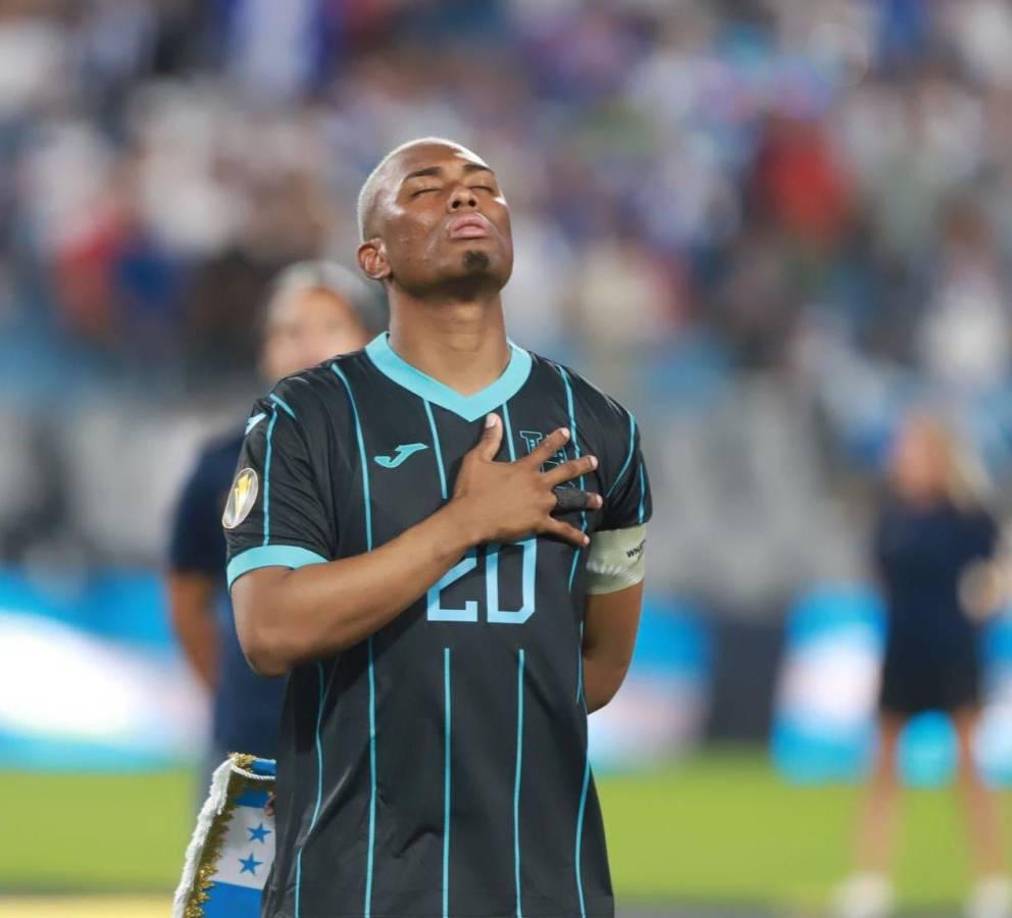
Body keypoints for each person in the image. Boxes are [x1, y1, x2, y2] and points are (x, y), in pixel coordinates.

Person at [223, 138, 652, 918]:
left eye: (483, 186)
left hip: (542, 886)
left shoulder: (600, 427)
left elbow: (597, 666)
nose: (464, 197)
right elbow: (270, 629)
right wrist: (463, 525)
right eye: (426, 189)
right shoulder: (306, 417)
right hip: (351, 883)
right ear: (374, 257)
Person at [167, 261, 381, 790]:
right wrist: (232, 692)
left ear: (370, 343)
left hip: (374, 745)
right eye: (289, 330)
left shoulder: (406, 460)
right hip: (252, 744)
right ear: (265, 348)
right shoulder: (223, 463)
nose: (309, 345)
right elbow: (188, 596)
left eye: (330, 326)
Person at [834, 414, 1009, 918]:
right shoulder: (891, 517)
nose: (903, 461)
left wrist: (989, 596)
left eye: (913, 452)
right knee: (883, 768)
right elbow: (880, 579)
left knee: (970, 768)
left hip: (954, 651)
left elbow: (994, 572)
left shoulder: (967, 517)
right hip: (902, 652)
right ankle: (870, 879)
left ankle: (992, 881)